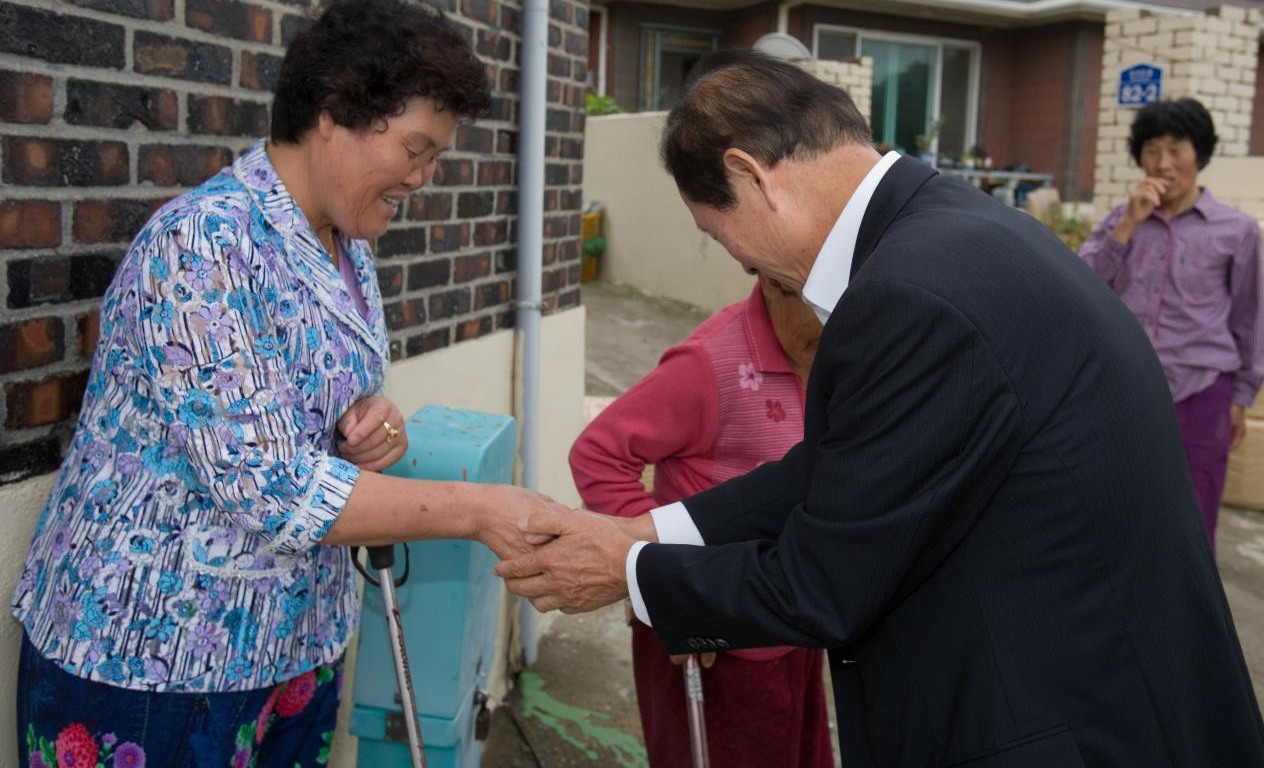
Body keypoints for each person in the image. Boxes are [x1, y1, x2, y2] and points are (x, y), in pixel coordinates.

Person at [497, 50, 1264, 767]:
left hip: (1060, 718)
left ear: (753, 177)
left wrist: (630, 572)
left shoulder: (907, 295)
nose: (737, 260)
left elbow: (820, 584)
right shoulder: (953, 233)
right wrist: (651, 527)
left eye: (716, 230)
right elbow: (847, 461)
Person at [11, 0, 546, 767]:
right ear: (334, 111)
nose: (425, 176)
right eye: (417, 147)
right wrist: (477, 510)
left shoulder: (347, 246)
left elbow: (314, 404)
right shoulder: (202, 244)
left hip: (287, 647)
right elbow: (270, 483)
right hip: (152, 660)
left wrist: (377, 421)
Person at [570, 278, 832, 768]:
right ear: (776, 284)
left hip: (788, 621)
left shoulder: (829, 345)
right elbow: (598, 454)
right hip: (712, 640)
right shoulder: (711, 362)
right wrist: (674, 589)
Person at [1079, 98, 1262, 549]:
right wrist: (1126, 227)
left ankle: (1186, 614)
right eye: (1152, 150)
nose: (1163, 163)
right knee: (1120, 504)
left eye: (1176, 149)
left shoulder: (1236, 230)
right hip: (1126, 388)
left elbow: (1250, 317)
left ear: (1199, 154)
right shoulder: (1121, 221)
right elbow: (1083, 290)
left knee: (1194, 517)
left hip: (1201, 390)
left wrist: (1241, 396)